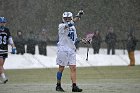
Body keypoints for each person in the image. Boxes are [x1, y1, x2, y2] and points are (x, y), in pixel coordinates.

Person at [56, 10, 84, 92]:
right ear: (63, 18)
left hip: (71, 49)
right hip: (63, 49)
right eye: (66, 18)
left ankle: (74, 86)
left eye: (69, 18)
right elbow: (70, 23)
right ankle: (58, 85)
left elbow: (75, 39)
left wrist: (84, 41)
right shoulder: (61, 26)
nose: (67, 19)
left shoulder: (73, 27)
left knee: (73, 68)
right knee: (61, 68)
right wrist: (78, 16)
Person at [0, 17, 16, 84]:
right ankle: (4, 78)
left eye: (4, 22)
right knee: (0, 65)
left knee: (1, 65)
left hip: (5, 49)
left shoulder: (7, 30)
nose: (3, 24)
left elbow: (10, 39)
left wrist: (13, 47)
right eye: (1, 22)